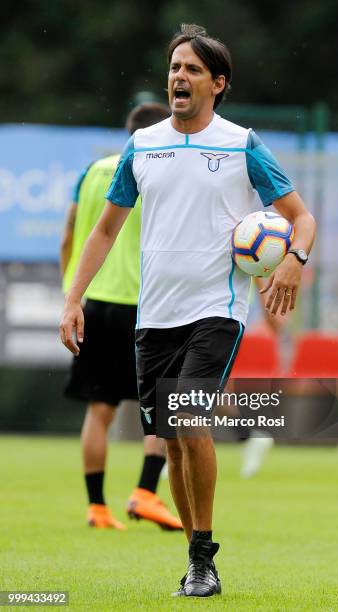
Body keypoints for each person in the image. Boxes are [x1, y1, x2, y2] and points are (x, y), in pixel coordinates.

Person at [60, 24, 316, 598]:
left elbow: (302, 217)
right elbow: (103, 231)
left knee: (190, 420)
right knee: (172, 438)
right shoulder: (142, 145)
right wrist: (72, 299)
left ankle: (205, 556)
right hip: (153, 317)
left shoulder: (241, 143)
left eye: (193, 70)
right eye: (175, 68)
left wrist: (294, 259)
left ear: (218, 84)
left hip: (216, 309)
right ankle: (194, 560)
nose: (180, 77)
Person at [61, 102, 183, 531]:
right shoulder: (157, 166)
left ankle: (97, 507)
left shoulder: (93, 170)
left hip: (94, 301)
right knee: (165, 404)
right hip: (144, 303)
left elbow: (70, 233)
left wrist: (71, 295)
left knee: (100, 407)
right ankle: (146, 493)